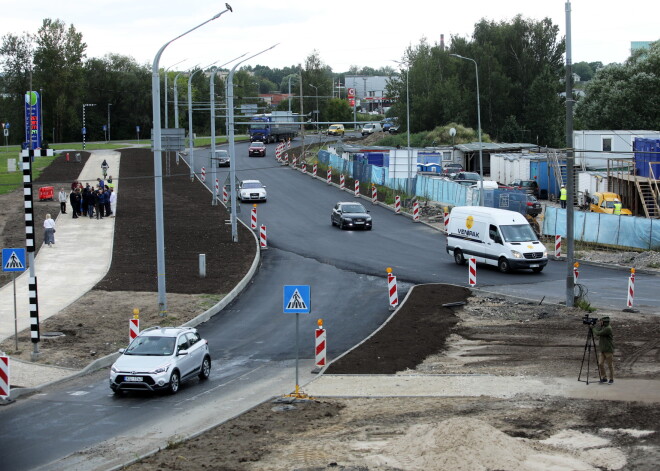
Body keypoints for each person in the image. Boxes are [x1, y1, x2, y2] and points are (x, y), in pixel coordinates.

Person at [591, 316, 614, 384]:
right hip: (602, 350)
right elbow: (598, 330)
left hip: (608, 350)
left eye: (601, 321)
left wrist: (592, 328)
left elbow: (598, 333)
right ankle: (604, 377)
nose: (600, 322)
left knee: (610, 365)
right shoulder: (604, 327)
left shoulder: (608, 329)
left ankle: (611, 379)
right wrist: (598, 326)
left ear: (605, 322)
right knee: (600, 364)